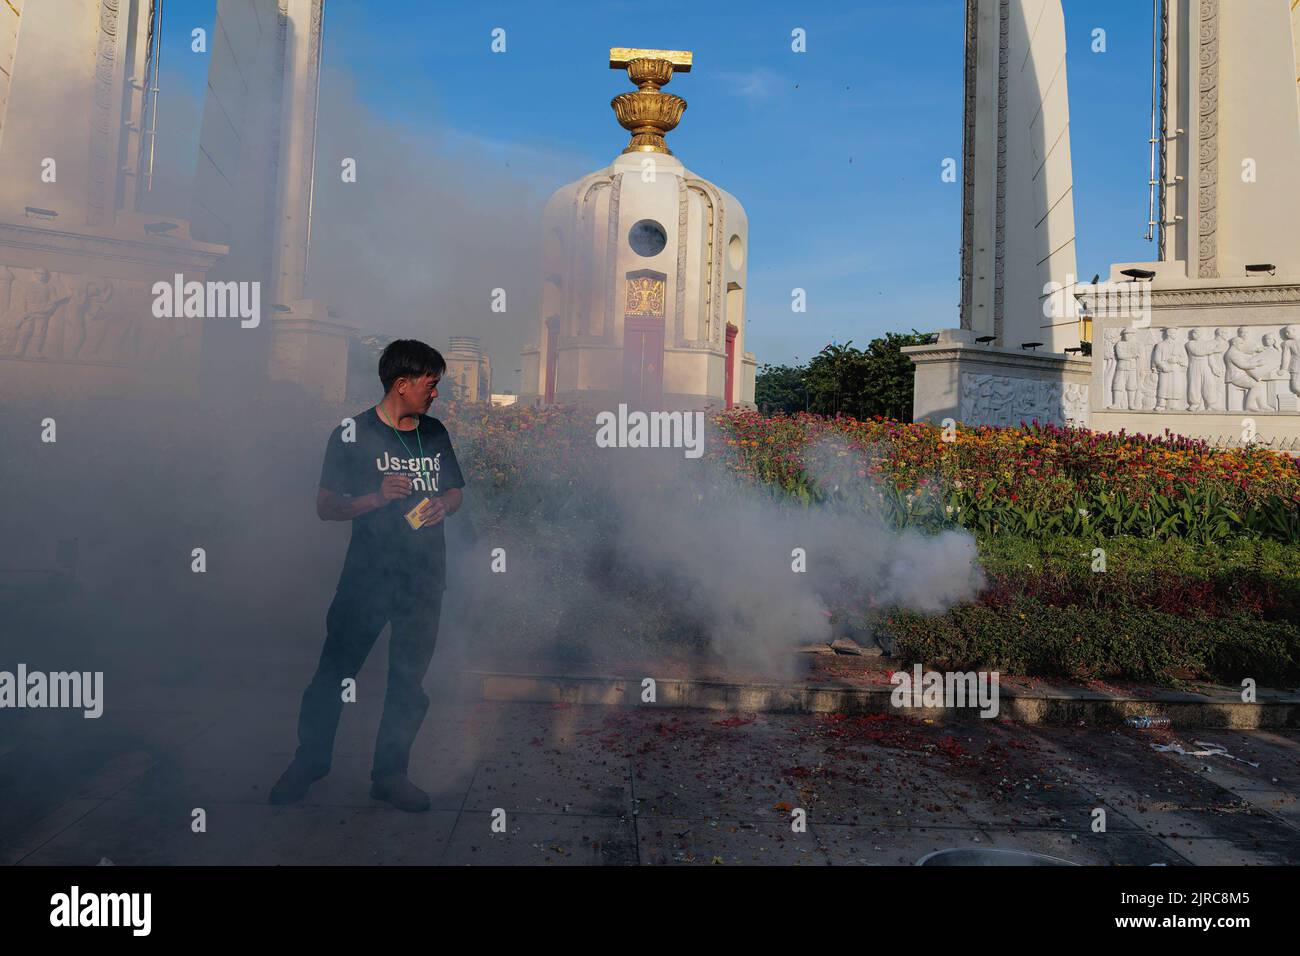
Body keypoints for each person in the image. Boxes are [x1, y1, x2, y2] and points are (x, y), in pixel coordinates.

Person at [269, 339, 465, 812]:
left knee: (408, 683)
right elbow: (325, 508)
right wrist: (375, 498)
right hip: (367, 579)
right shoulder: (350, 434)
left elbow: (456, 490)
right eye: (430, 384)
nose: (435, 394)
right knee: (333, 675)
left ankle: (390, 775)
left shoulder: (434, 433)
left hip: (423, 581)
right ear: (402, 384)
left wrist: (443, 504)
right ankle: (310, 761)